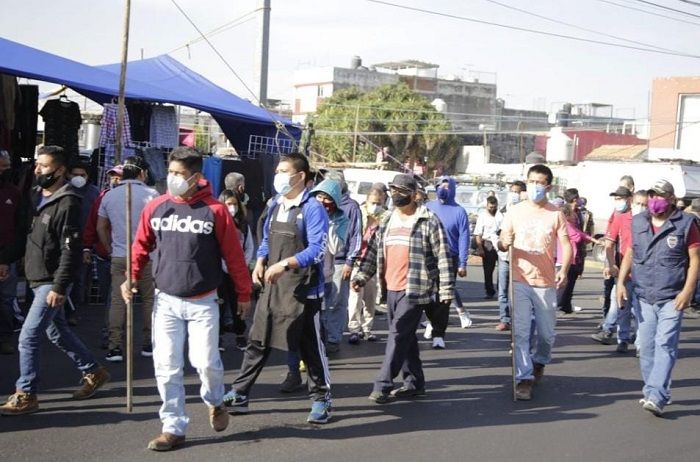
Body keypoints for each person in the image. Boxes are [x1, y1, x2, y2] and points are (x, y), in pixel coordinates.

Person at [123, 147, 252, 450]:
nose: (173, 178)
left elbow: (233, 257)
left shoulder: (216, 211)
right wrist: (130, 276)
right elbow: (140, 246)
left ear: (196, 177)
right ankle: (173, 427)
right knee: (166, 367)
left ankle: (215, 401)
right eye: (171, 172)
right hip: (165, 299)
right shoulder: (155, 207)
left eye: (180, 174)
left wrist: (244, 293)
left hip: (203, 301)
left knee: (206, 362)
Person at [223, 152, 333, 425]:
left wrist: (284, 264)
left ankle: (321, 399)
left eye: (284, 171)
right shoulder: (275, 205)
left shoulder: (312, 208)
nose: (278, 176)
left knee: (309, 347)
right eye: (277, 171)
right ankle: (240, 393)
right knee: (257, 341)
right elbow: (266, 240)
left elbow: (318, 249)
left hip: (304, 290)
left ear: (301, 176)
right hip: (273, 287)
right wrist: (260, 260)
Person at [0, 146, 111, 416]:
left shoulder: (69, 201)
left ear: (60, 170)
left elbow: (70, 249)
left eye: (44, 166)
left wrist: (60, 286)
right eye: (37, 165)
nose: (37, 170)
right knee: (55, 330)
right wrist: (6, 260)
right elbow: (27, 236)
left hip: (52, 279)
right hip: (37, 275)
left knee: (27, 337)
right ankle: (93, 371)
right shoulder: (35, 194)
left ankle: (26, 392)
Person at [353, 174, 454, 403]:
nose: (396, 194)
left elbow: (443, 257)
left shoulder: (428, 220)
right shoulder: (387, 219)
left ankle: (383, 385)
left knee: (397, 334)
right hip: (390, 287)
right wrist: (362, 275)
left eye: (401, 191)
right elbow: (373, 251)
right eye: (393, 190)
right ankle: (414, 383)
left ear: (413, 194)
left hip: (416, 289)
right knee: (405, 337)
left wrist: (446, 290)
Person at [617, 179, 700, 416]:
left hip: (672, 297)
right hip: (643, 295)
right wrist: (621, 283)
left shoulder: (686, 224)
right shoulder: (638, 222)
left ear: (672, 199)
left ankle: (657, 394)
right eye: (652, 195)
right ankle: (653, 389)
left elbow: (695, 259)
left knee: (665, 344)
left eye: (660, 195)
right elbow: (631, 253)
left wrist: (687, 291)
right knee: (646, 347)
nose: (655, 200)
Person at [498, 164, 571, 401]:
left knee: (546, 335)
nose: (535, 187)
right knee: (519, 334)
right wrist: (504, 241)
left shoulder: (555, 213)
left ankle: (540, 361)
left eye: (540, 183)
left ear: (548, 186)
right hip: (519, 280)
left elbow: (566, 244)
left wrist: (565, 269)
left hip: (546, 282)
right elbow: (501, 241)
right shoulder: (514, 211)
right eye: (531, 182)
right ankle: (524, 378)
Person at [98, 156, 159, 361]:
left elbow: (101, 227)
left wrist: (108, 247)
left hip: (119, 254)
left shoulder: (109, 196)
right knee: (149, 299)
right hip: (146, 256)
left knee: (118, 300)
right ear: (143, 173)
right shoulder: (152, 195)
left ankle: (114, 346)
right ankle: (149, 343)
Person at [424, 176, 472, 349]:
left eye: (446, 186)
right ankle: (432, 321)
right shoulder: (428, 207)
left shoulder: (459, 211)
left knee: (444, 297)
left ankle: (438, 334)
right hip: (429, 257)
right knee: (427, 295)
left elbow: (464, 238)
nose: (443, 189)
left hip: (450, 259)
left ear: (452, 189)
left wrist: (462, 263)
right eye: (439, 186)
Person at [320, 170, 361, 353]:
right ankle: (321, 337)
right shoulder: (319, 204)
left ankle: (333, 338)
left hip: (340, 261)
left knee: (337, 302)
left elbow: (356, 236)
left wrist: (350, 261)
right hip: (320, 260)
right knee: (321, 302)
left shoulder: (351, 207)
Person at [83, 164, 123, 349]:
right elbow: (92, 224)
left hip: (121, 257)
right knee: (110, 296)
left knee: (114, 299)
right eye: (112, 176)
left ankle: (111, 335)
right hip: (103, 256)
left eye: (119, 177)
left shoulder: (132, 198)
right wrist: (87, 248)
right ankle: (114, 332)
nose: (115, 180)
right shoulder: (102, 197)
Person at [593, 186, 635, 352]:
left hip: (645, 271)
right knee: (621, 304)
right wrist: (611, 265)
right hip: (625, 271)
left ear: (630, 198)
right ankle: (622, 339)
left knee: (640, 309)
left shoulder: (644, 217)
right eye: (616, 198)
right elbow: (609, 244)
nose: (618, 202)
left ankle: (639, 340)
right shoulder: (618, 216)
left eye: (621, 198)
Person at [347, 184, 387, 344]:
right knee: (355, 298)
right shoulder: (359, 214)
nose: (375, 206)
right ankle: (354, 329)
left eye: (379, 203)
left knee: (370, 299)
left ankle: (367, 329)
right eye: (373, 202)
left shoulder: (386, 217)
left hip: (374, 265)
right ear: (367, 201)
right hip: (358, 262)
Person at [217, 189, 255, 352]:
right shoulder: (217, 223)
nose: (232, 207)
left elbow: (249, 246)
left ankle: (240, 335)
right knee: (219, 305)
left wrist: (241, 264)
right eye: (228, 204)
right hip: (220, 271)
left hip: (238, 271)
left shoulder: (243, 224)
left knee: (238, 304)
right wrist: (224, 265)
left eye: (234, 204)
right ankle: (218, 337)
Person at [64, 161, 101, 326]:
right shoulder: (63, 190)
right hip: (62, 241)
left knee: (79, 279)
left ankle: (73, 312)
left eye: (82, 175)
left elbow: (98, 220)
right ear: (68, 175)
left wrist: (90, 244)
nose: (78, 178)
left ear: (88, 176)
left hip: (83, 243)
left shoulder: (94, 193)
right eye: (75, 174)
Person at [0, 150, 27, 354]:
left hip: (6, 257)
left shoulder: (13, 193)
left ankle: (5, 338)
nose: (5, 170)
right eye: (1, 166)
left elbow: (20, 227)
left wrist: (8, 258)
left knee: (6, 300)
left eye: (7, 166)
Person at [557, 203, 599, 314]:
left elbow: (580, 234)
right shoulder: (566, 225)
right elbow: (577, 236)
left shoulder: (568, 225)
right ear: (566, 215)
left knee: (567, 285)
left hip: (569, 258)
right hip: (566, 259)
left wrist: (594, 240)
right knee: (564, 285)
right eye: (572, 214)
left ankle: (565, 305)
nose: (575, 216)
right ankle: (561, 305)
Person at [496, 181, 526, 331]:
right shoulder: (502, 212)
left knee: (518, 293)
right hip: (504, 258)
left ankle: (518, 320)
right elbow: (498, 235)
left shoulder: (526, 212)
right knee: (502, 291)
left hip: (521, 260)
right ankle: (504, 319)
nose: (514, 195)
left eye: (517, 192)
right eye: (512, 192)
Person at [474, 196, 503, 300]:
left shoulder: (501, 216)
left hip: (500, 243)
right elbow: (478, 234)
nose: (492, 209)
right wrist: (480, 248)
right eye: (490, 207)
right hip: (488, 244)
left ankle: (502, 290)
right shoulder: (482, 216)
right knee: (488, 270)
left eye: (494, 207)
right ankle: (489, 291)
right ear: (486, 206)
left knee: (503, 269)